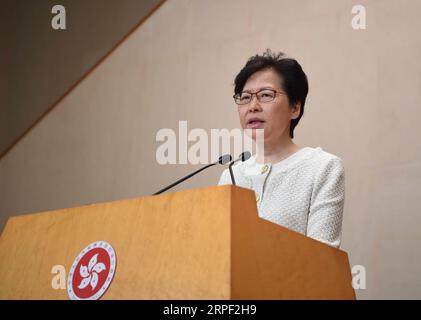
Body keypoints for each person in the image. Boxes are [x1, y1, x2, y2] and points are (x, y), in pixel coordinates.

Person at [218, 50, 345, 248]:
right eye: (245, 97)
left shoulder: (322, 167)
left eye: (266, 95)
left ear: (295, 108)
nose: (253, 106)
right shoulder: (231, 175)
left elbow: (322, 260)